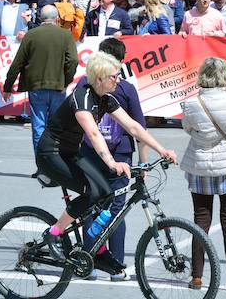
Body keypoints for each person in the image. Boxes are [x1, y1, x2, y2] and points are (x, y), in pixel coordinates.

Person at [34, 51, 177, 275]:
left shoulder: (106, 98)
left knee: (105, 194)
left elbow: (133, 126)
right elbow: (93, 133)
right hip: (51, 153)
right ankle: (54, 233)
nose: (118, 80)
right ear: (99, 78)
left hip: (71, 152)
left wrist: (162, 149)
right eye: (114, 76)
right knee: (91, 193)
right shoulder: (81, 96)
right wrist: (111, 162)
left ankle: (97, 250)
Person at [180, 57, 226, 292]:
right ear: (224, 75)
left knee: (200, 220)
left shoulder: (192, 103)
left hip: (199, 165)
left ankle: (197, 276)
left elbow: (187, 128)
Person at [79, 38, 148, 282]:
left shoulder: (84, 86)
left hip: (90, 153)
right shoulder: (126, 89)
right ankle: (116, 265)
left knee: (92, 207)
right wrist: (143, 163)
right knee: (117, 210)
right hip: (120, 155)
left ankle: (88, 261)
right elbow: (138, 127)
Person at [3, 5, 79, 149]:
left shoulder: (31, 35)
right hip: (58, 86)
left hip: (36, 86)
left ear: (40, 18)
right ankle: (54, 157)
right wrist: (66, 80)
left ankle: (40, 160)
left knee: (39, 126)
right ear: (57, 19)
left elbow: (17, 63)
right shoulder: (66, 35)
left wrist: (8, 86)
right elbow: (73, 61)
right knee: (56, 126)